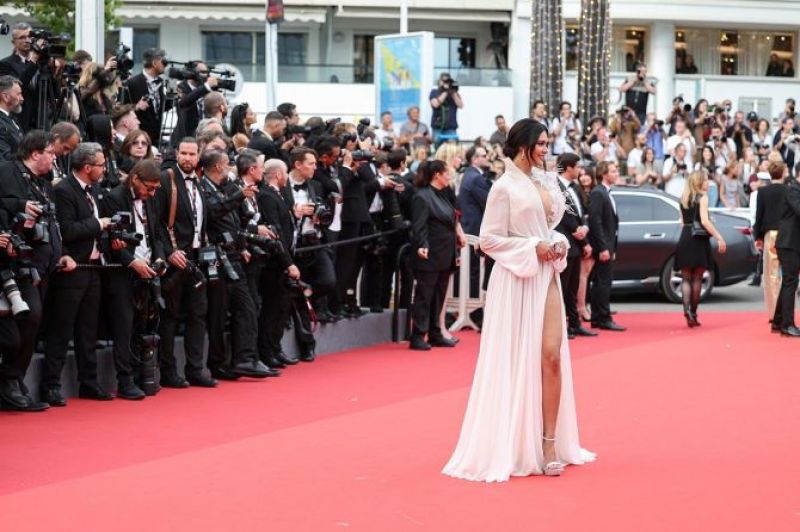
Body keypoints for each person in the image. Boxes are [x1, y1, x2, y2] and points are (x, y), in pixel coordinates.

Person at [442, 118, 595, 482]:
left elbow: (548, 224)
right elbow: (490, 240)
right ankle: (514, 441)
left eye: (547, 144)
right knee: (517, 361)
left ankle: (550, 442)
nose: (546, 150)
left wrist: (552, 241)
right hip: (515, 280)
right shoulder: (503, 187)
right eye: (540, 144)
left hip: (547, 277)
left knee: (553, 356)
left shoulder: (545, 179)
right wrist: (532, 246)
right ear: (523, 144)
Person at [0, 131, 75, 411]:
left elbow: (51, 224)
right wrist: (18, 207)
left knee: (32, 321)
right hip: (11, 263)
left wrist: (61, 253)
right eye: (51, 153)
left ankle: (14, 381)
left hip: (37, 265)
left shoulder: (42, 183)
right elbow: (7, 206)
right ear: (35, 154)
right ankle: (9, 381)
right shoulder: (7, 171)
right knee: (26, 321)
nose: (55, 157)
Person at [43, 143, 113, 405]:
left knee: (88, 330)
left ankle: (89, 382)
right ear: (87, 167)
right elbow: (67, 230)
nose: (104, 169)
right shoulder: (63, 191)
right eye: (101, 165)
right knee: (61, 329)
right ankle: (50, 385)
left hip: (93, 267)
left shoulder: (92, 190)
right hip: (71, 269)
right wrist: (99, 224)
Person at [200, 148, 277, 378]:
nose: (231, 168)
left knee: (246, 307)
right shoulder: (203, 188)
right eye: (227, 163)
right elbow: (212, 213)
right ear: (217, 166)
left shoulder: (226, 187)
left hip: (233, 256)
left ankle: (244, 359)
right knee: (219, 313)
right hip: (216, 258)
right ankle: (220, 363)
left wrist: (242, 245)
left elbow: (234, 223)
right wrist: (238, 196)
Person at [100, 159, 167, 398]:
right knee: (124, 326)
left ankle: (144, 374)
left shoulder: (152, 197)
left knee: (145, 323)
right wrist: (132, 262)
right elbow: (112, 242)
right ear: (135, 178)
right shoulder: (114, 197)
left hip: (148, 267)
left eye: (155, 189)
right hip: (122, 271)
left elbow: (157, 233)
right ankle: (125, 379)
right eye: (149, 187)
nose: (152, 192)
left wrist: (160, 259)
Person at [154, 138, 219, 385]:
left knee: (197, 314)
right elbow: (157, 221)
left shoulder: (200, 183)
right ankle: (169, 372)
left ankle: (195, 369)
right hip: (175, 259)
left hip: (197, 258)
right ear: (177, 154)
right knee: (170, 315)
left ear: (199, 155)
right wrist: (169, 251)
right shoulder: (166, 179)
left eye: (192, 154)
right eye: (184, 153)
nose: (188, 158)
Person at [408, 159, 464, 350]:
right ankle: (417, 335)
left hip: (445, 254)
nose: (450, 176)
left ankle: (434, 333)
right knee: (424, 296)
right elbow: (419, 226)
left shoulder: (443, 195)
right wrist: (422, 245)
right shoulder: (422, 197)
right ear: (437, 175)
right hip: (429, 255)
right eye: (447, 173)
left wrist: (458, 239)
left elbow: (451, 221)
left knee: (438, 296)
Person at [675, 172, 727, 327]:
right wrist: (719, 237)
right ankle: (693, 312)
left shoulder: (683, 199)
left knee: (685, 278)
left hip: (685, 237)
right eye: (705, 180)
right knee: (697, 278)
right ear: (699, 182)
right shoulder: (702, 198)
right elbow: (704, 221)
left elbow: (682, 222)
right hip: (698, 239)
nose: (708, 183)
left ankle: (686, 310)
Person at [555, 153, 595, 339]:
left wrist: (585, 230)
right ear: (569, 167)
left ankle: (575, 324)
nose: (580, 170)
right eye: (577, 167)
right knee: (562, 287)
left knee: (572, 287)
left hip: (577, 241)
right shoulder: (555, 186)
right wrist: (578, 232)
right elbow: (564, 215)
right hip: (565, 241)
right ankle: (560, 326)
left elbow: (584, 212)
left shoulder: (576, 188)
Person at [588, 161, 625, 331]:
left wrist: (612, 248)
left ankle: (598, 317)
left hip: (608, 245)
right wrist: (603, 248)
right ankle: (603, 317)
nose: (616, 173)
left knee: (601, 282)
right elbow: (595, 222)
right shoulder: (598, 193)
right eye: (613, 171)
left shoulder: (606, 192)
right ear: (604, 174)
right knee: (603, 282)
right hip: (603, 246)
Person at [753, 161, 787, 322]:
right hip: (787, 234)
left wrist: (757, 237)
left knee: (771, 275)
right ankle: (785, 311)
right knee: (788, 275)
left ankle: (774, 313)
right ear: (783, 173)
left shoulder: (763, 192)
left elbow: (759, 217)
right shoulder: (789, 191)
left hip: (771, 235)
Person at [120, 48, 172, 149]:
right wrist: (136, 107)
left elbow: (163, 108)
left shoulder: (162, 82)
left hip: (157, 137)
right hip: (139, 137)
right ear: (155, 63)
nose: (166, 66)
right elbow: (120, 110)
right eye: (164, 62)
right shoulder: (132, 83)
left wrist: (172, 97)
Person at [771, 164, 800, 337]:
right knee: (791, 282)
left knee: (788, 282)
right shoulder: (792, 190)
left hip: (792, 243)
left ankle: (778, 320)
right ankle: (787, 325)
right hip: (788, 243)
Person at [0, 23, 37, 132]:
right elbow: (17, 85)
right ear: (13, 42)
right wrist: (33, 61)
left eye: (29, 37)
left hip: (41, 117)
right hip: (20, 116)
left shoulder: (42, 63)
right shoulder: (5, 63)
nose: (27, 40)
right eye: (22, 37)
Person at [171, 61, 218, 143]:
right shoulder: (181, 87)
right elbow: (184, 102)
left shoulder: (205, 89)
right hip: (184, 136)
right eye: (202, 72)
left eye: (207, 72)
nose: (206, 75)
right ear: (191, 73)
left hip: (203, 137)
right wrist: (206, 87)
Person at [576, 168, 596, 323]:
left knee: (587, 276)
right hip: (583, 239)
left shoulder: (595, 193)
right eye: (581, 175)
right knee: (583, 276)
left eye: (586, 175)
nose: (583, 178)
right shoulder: (576, 193)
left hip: (594, 238)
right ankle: (580, 308)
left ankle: (584, 306)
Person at [429, 72, 463, 146]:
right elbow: (435, 104)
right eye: (444, 81)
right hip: (438, 127)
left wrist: (453, 92)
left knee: (452, 148)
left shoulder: (454, 93)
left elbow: (461, 105)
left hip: (451, 127)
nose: (445, 83)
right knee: (438, 148)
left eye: (447, 81)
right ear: (439, 81)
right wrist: (445, 92)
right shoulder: (434, 92)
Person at [0, 75, 25, 161]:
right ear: (5, 97)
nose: (22, 98)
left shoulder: (13, 118)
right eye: (18, 94)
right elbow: (4, 157)